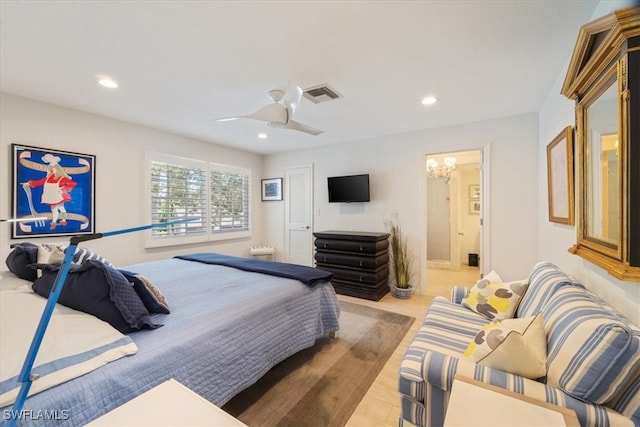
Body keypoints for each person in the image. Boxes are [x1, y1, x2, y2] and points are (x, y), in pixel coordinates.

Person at [23, 153, 77, 230]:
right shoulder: (48, 179)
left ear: (57, 169)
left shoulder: (61, 178)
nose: (52, 171)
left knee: (56, 209)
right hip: (51, 197)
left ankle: (55, 222)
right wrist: (28, 183)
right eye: (51, 169)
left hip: (58, 196)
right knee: (60, 208)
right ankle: (63, 220)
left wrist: (64, 190)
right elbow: (39, 182)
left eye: (54, 169)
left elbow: (73, 183)